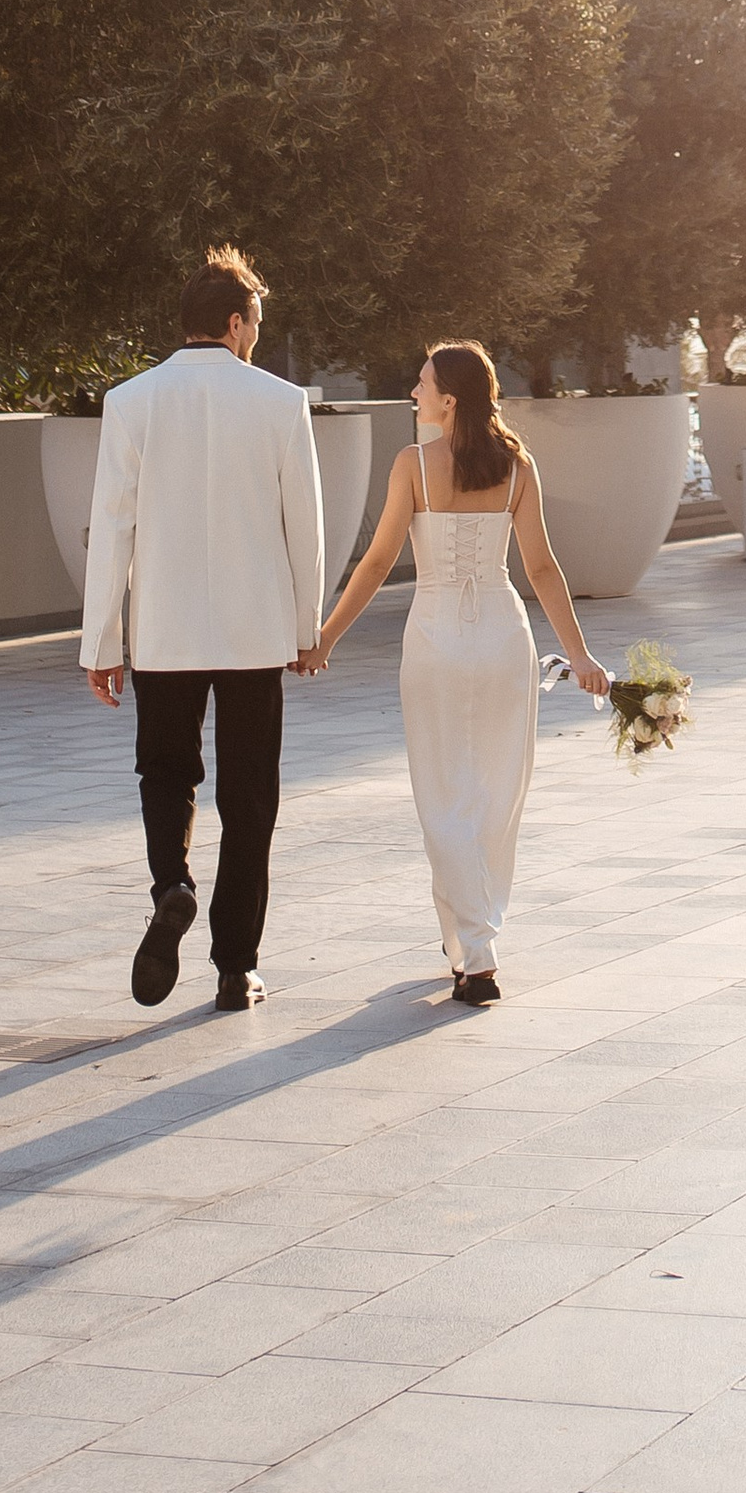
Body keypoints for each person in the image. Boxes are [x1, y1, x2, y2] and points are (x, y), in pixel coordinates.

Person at [298, 338, 608, 1003]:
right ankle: (475, 940)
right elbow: (543, 568)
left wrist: (325, 638)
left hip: (437, 637)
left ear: (449, 397)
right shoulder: (520, 468)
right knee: (496, 792)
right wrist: (577, 653)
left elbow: (378, 562)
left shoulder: (412, 463)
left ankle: (475, 946)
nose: (413, 390)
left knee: (443, 792)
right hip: (502, 635)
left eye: (422, 381)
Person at [81, 247, 325, 1014]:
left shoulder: (131, 401)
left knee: (165, 773)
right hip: (255, 633)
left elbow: (111, 528)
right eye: (255, 321)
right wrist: (306, 626)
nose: (257, 334)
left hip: (164, 631)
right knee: (250, 795)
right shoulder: (282, 402)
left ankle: (172, 885)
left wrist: (101, 642)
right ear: (233, 322)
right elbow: (305, 530)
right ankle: (235, 966)